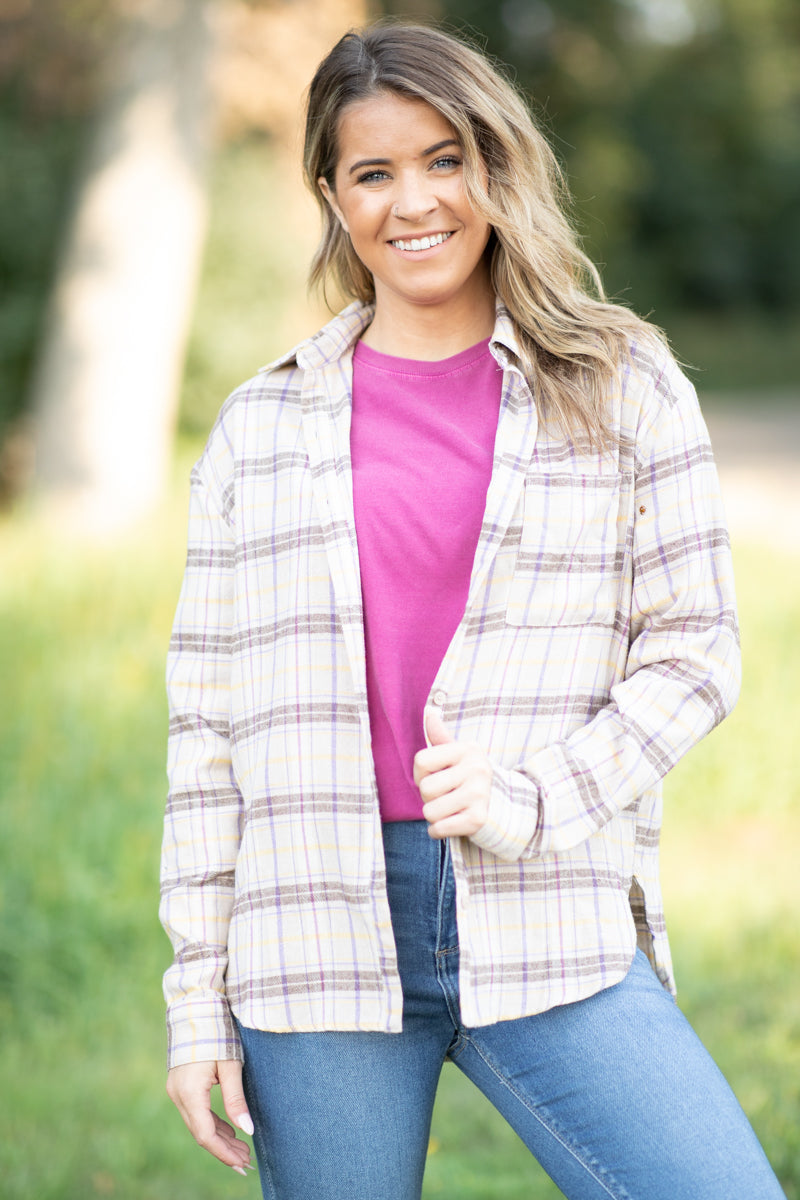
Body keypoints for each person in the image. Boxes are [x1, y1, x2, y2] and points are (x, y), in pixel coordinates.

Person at [160, 21, 785, 1200]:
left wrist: (531, 796)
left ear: (493, 165)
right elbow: (207, 731)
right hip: (311, 934)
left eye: (443, 159)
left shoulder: (621, 384)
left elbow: (695, 652)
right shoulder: (259, 427)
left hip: (545, 908)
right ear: (332, 197)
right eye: (373, 172)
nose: (414, 201)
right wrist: (197, 999)